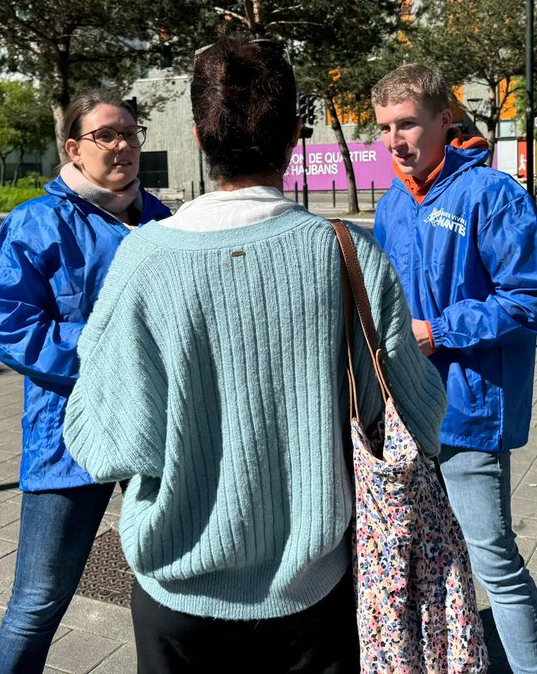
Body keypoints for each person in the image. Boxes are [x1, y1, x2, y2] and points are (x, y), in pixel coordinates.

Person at [63, 39, 447, 674]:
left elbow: (106, 444)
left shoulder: (145, 259)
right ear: (295, 134)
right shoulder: (348, 253)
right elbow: (421, 417)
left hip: (177, 593)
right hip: (313, 590)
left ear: (198, 135)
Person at [371, 63, 537, 674]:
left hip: (469, 413)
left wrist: (440, 330)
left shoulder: (493, 194)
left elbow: (530, 299)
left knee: (493, 562)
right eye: (385, 128)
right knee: (429, 560)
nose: (396, 141)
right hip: (408, 413)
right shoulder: (394, 201)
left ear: (444, 122)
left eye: (409, 125)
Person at [0, 89, 171, 673]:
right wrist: (111, 353)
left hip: (152, 433)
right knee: (38, 602)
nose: (122, 146)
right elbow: (12, 327)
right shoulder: (36, 223)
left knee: (166, 592)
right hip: (66, 440)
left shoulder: (163, 220)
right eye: (106, 135)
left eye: (130, 133)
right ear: (73, 148)